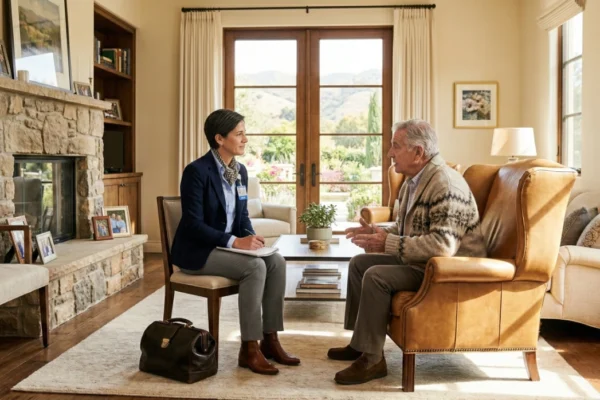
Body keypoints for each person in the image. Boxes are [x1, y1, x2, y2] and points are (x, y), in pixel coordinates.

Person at [327, 119, 487, 385]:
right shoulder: (415, 180)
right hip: (423, 263)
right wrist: (378, 232)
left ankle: (373, 361)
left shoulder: (445, 184)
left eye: (396, 146)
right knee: (359, 264)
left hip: (447, 272)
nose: (390, 153)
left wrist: (386, 243)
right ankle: (361, 343)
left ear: (418, 152)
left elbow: (442, 246)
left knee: (376, 275)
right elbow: (406, 228)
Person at [171, 109, 300, 375]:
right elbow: (193, 225)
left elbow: (241, 216)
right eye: (239, 134)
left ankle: (270, 339)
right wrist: (234, 242)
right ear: (219, 138)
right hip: (199, 252)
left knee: (275, 261)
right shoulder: (196, 171)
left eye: (244, 133)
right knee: (255, 268)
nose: (245, 139)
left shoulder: (239, 171)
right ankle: (249, 348)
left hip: (223, 246)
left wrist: (252, 238)